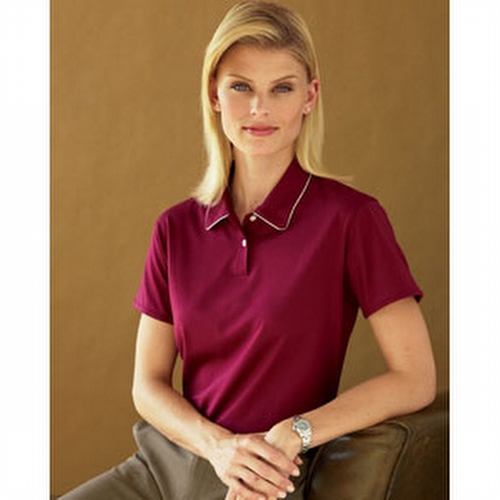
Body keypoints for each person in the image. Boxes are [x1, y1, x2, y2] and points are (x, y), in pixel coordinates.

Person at [60, 1, 436, 499]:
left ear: (310, 96)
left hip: (266, 474)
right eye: (241, 87)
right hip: (163, 466)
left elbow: (414, 378)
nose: (260, 108)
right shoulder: (175, 228)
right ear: (213, 94)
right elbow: (147, 385)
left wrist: (296, 433)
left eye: (282, 88)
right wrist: (217, 446)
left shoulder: (351, 219)